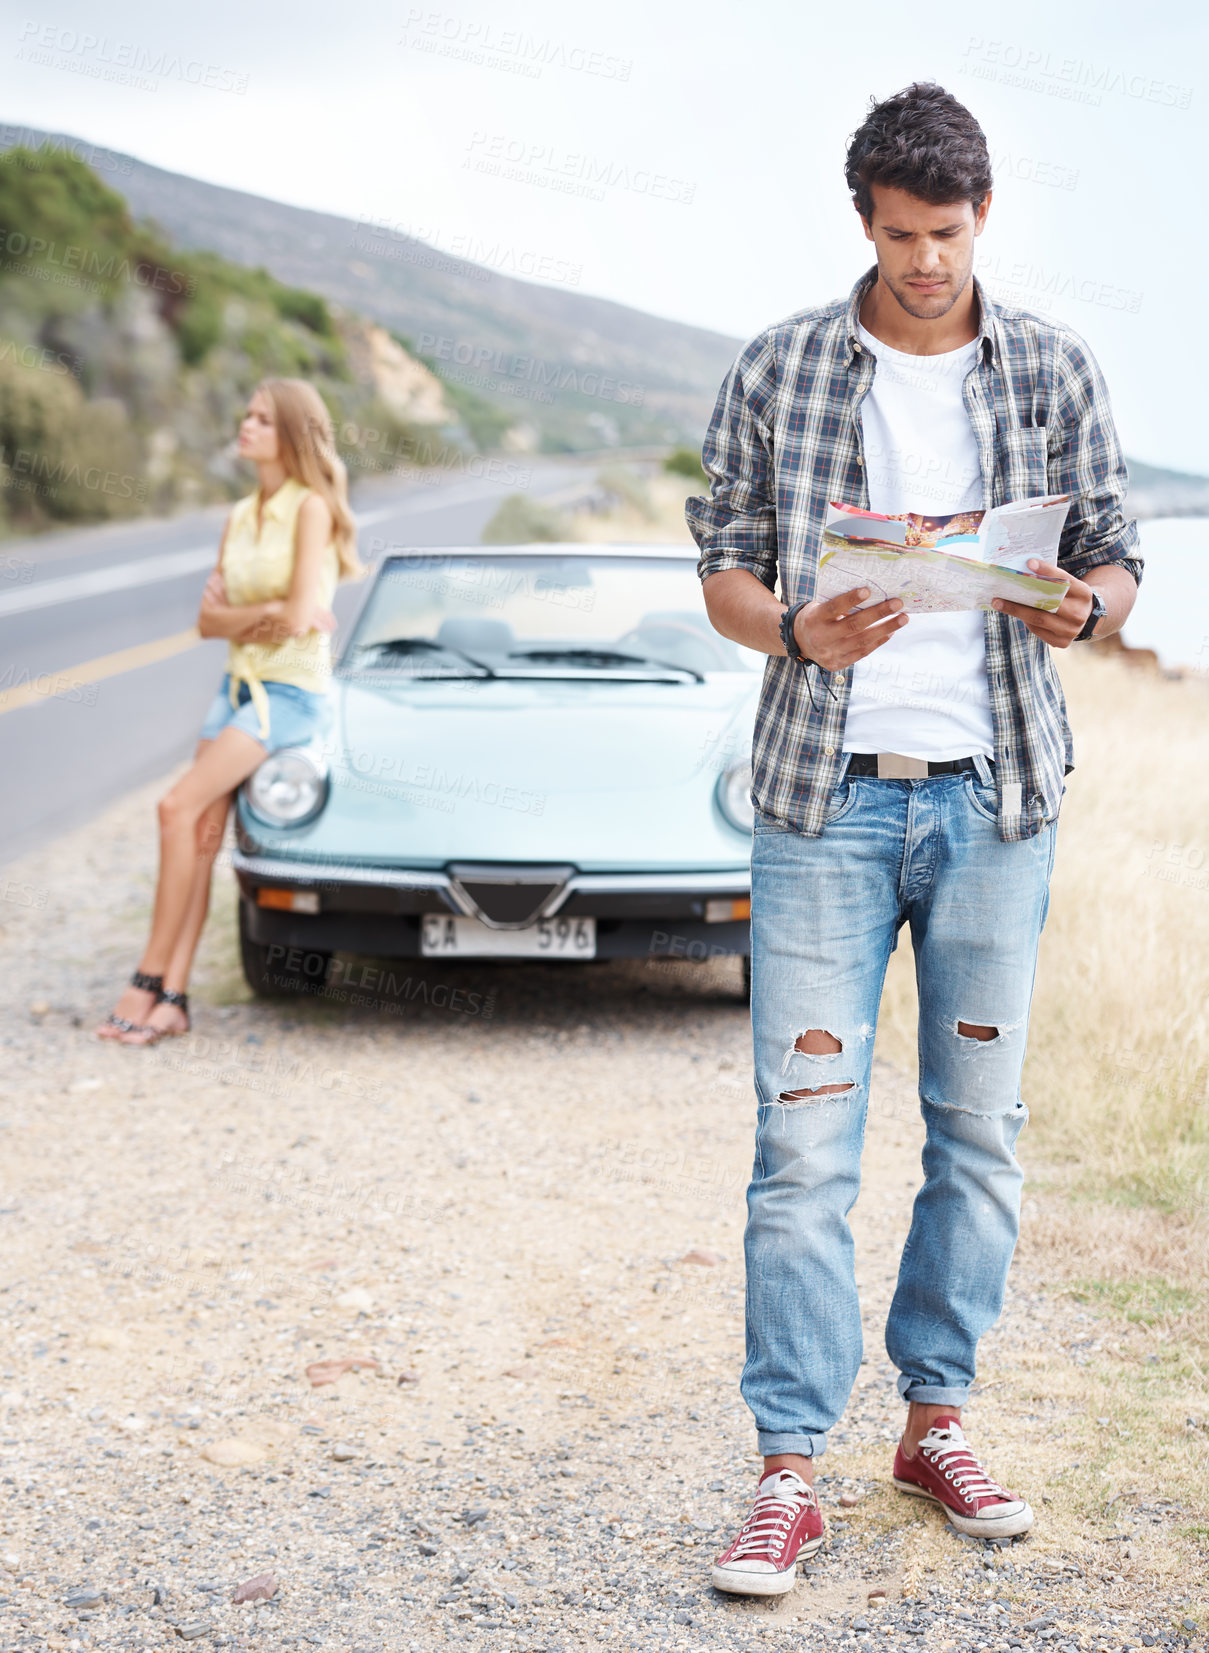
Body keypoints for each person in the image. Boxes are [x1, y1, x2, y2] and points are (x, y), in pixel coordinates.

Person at [687, 82, 1140, 1595]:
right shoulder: (785, 364)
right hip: (825, 800)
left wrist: (1092, 608)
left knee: (979, 1136)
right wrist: (796, 630)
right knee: (803, 1147)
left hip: (995, 801)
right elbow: (725, 571)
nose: (926, 261)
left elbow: (1113, 557)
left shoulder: (1054, 368)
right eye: (899, 235)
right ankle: (787, 1469)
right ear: (863, 222)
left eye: (946, 234)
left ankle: (933, 1421)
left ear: (983, 216)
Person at [96, 378, 361, 1046]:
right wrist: (264, 616)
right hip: (236, 688)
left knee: (173, 808)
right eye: (245, 414)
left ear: (292, 434)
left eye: (262, 419)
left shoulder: (311, 510)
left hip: (290, 698)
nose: (245, 425)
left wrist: (263, 617)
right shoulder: (240, 515)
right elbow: (207, 621)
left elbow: (301, 619)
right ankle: (176, 999)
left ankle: (147, 978)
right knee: (201, 836)